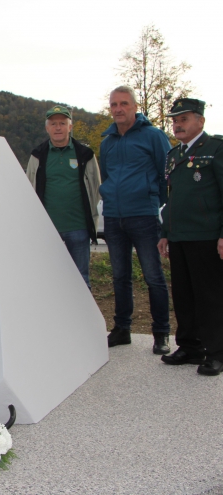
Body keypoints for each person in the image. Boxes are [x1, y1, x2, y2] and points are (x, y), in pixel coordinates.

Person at [99, 86, 172, 354]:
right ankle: (122, 329)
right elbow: (106, 176)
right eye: (114, 104)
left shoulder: (153, 136)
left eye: (124, 104)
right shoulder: (107, 142)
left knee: (153, 277)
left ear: (134, 106)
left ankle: (162, 333)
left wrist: (157, 204)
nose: (118, 109)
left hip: (143, 215)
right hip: (114, 217)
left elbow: (168, 175)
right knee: (120, 277)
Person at [158, 98, 223, 376]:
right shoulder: (173, 155)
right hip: (179, 236)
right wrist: (165, 233)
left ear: (201, 121)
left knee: (209, 296)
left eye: (183, 119)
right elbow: (172, 199)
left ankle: (217, 352)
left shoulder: (216, 149)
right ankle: (190, 346)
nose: (177, 124)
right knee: (183, 295)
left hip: (206, 235)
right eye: (174, 120)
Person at [26, 105, 101, 289]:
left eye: (62, 123)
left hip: (78, 228)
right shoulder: (37, 156)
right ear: (47, 128)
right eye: (53, 124)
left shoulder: (85, 155)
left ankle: (83, 318)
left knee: (80, 278)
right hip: (47, 230)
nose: (58, 127)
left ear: (70, 126)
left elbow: (96, 188)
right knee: (48, 278)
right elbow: (28, 190)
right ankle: (50, 317)